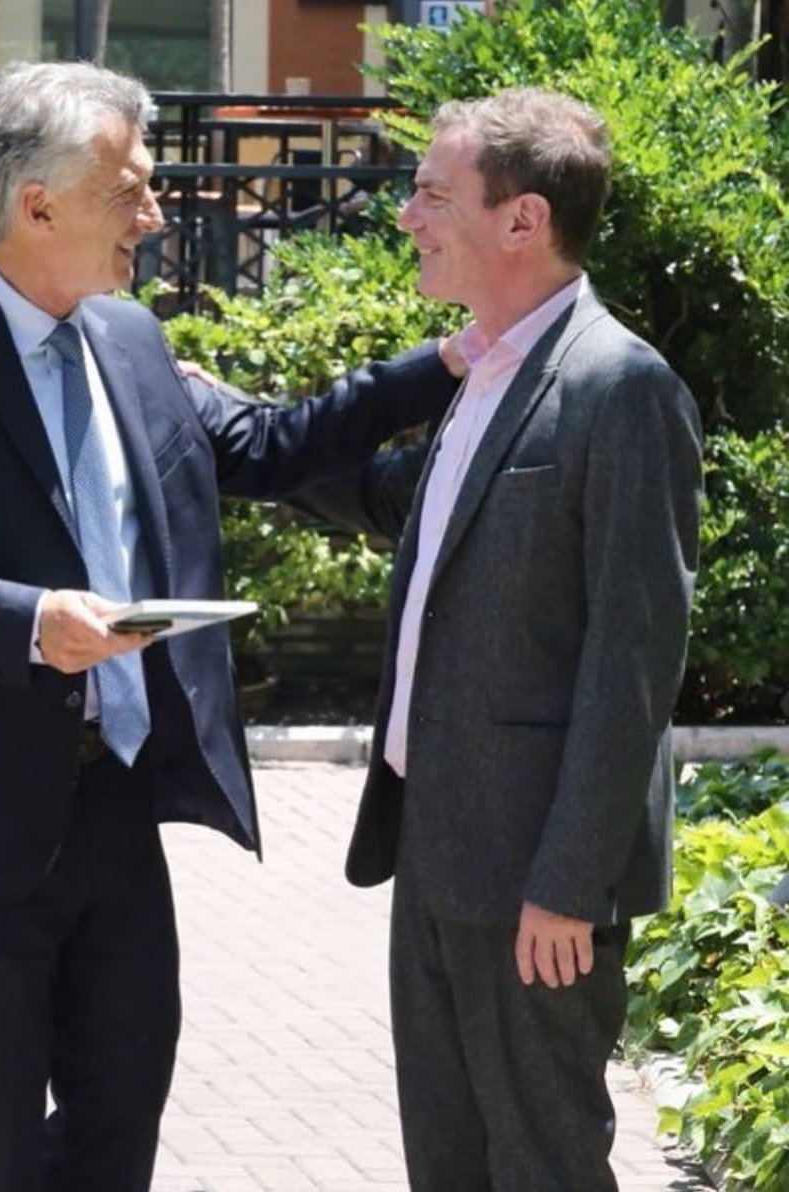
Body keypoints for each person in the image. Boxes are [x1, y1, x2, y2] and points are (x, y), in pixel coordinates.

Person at [0, 61, 458, 1192]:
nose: (156, 216)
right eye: (132, 189)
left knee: (122, 1108)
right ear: (38, 203)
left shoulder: (132, 342)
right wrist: (24, 622)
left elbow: (271, 446)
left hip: (113, 804)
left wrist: (445, 366)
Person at [339, 89, 703, 1190]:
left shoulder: (621, 387)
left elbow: (632, 665)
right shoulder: (485, 370)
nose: (409, 217)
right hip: (437, 855)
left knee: (540, 1167)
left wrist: (567, 882)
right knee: (448, 1165)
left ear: (522, 221)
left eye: (433, 194)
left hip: (536, 887)